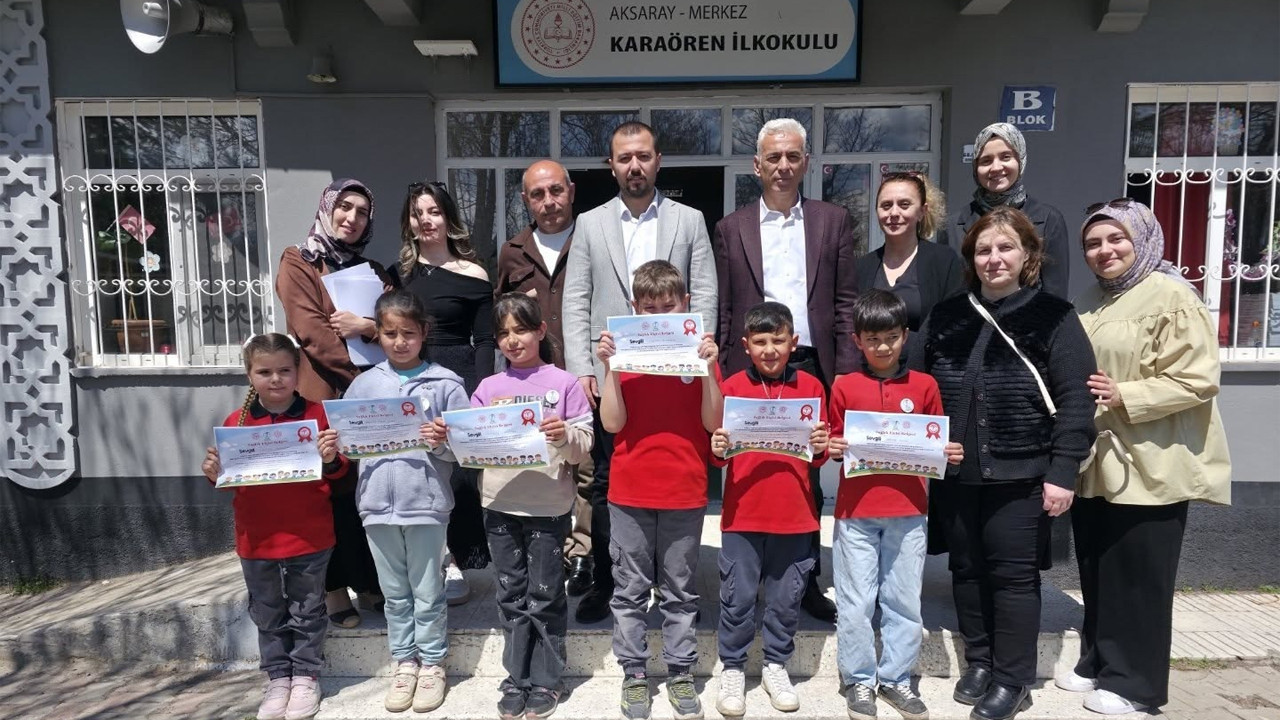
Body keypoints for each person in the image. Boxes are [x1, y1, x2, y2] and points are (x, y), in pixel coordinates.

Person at [913, 206, 1096, 720]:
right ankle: (980, 659)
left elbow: (1077, 400)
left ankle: (1012, 678)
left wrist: (1064, 472)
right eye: (984, 250)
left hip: (1022, 473)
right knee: (967, 569)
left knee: (1013, 578)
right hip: (956, 473)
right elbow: (913, 380)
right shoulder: (948, 314)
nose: (994, 258)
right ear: (972, 257)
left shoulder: (1054, 316)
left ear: (1027, 255)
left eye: (1005, 248)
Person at [1058, 200, 1231, 715]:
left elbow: (1198, 379)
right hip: (1099, 458)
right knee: (1097, 566)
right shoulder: (1091, 299)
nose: (1104, 251)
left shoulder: (1172, 296)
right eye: (1093, 243)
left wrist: (1125, 395)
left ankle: (1137, 686)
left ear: (1142, 239)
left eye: (1116, 240)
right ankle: (1099, 661)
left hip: (1153, 459)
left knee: (1139, 575)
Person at [561, 121, 718, 624]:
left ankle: (674, 583)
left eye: (643, 156)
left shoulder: (689, 220)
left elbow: (705, 292)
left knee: (672, 470)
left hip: (678, 376)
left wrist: (701, 357)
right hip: (614, 373)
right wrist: (583, 366)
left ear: (658, 160)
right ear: (612, 164)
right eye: (624, 158)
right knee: (608, 481)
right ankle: (611, 583)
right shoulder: (590, 223)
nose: (634, 166)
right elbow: (577, 298)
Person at [712, 117, 858, 623]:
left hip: (811, 363)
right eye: (773, 157)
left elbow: (844, 303)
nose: (782, 166)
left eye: (792, 156)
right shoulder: (731, 227)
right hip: (750, 367)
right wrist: (726, 378)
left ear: (806, 163)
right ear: (756, 165)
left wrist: (842, 374)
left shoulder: (832, 220)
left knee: (808, 477)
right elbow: (727, 310)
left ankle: (805, 578)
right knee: (750, 469)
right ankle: (744, 575)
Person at [452, 292, 594, 720]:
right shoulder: (488, 388)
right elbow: (468, 446)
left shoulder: (564, 383)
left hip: (548, 509)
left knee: (546, 593)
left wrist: (563, 435)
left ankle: (547, 679)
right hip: (499, 506)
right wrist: (451, 434)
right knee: (511, 593)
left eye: (521, 330)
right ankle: (516, 675)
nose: (513, 340)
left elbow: (584, 447)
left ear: (540, 331)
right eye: (503, 334)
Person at [827, 290, 965, 720]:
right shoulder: (844, 386)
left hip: (909, 510)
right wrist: (833, 445)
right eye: (873, 339)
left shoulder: (925, 386)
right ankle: (859, 680)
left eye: (891, 337)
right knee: (855, 600)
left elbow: (935, 443)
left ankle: (896, 679)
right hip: (855, 512)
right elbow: (832, 442)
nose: (883, 347)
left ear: (905, 336)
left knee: (904, 599)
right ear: (857, 341)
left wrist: (948, 452)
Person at [595, 260, 722, 720]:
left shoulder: (701, 356)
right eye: (648, 309)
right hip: (629, 490)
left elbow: (714, 423)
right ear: (634, 309)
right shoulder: (624, 358)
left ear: (685, 306)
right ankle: (633, 674)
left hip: (685, 490)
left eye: (668, 307)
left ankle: (681, 671)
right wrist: (609, 366)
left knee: (681, 590)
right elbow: (611, 423)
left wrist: (709, 369)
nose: (658, 316)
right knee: (629, 590)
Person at [200, 333, 348, 720]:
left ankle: (306, 676)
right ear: (250, 375)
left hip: (309, 534)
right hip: (257, 537)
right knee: (267, 612)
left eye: (285, 370)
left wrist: (330, 457)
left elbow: (338, 471)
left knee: (307, 609)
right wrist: (213, 472)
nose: (276, 379)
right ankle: (278, 676)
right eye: (264, 372)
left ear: (298, 372)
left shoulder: (318, 414)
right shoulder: (237, 423)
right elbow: (225, 478)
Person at [344, 290, 470, 714]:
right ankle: (404, 662)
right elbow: (348, 445)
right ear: (377, 334)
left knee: (427, 589)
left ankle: (433, 664)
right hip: (376, 504)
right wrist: (337, 444)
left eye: (409, 334)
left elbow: (465, 450)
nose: (400, 342)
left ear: (424, 334)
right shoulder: (362, 384)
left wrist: (441, 443)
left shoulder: (447, 383)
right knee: (394, 593)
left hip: (427, 503)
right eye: (391, 333)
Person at [708, 301, 830, 717]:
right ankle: (734, 667)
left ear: (794, 342)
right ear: (745, 346)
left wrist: (820, 446)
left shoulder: (812, 387)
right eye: (760, 341)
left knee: (785, 598)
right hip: (742, 513)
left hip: (795, 514)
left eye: (778, 340)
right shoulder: (732, 387)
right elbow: (720, 456)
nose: (770, 349)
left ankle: (776, 664)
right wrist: (719, 449)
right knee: (737, 598)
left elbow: (819, 458)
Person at [275, 178, 387, 629]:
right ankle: (334, 589)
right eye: (344, 207)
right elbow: (313, 333)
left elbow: (395, 327)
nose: (352, 218)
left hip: (365, 395)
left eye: (362, 212)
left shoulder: (376, 271)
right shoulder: (298, 261)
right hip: (325, 393)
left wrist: (371, 328)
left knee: (366, 485)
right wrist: (367, 377)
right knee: (331, 490)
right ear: (327, 208)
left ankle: (370, 581)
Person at [495, 159, 594, 597]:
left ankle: (583, 553)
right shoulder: (512, 251)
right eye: (538, 194)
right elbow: (503, 314)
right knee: (542, 467)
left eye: (556, 190)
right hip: (532, 382)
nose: (549, 201)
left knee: (588, 471)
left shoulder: (593, 237)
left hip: (584, 375)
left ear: (571, 190)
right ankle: (543, 548)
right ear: (525, 200)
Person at [395, 181, 494, 605]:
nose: (426, 220)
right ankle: (425, 559)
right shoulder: (396, 276)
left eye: (433, 211)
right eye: (418, 213)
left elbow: (486, 340)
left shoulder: (474, 274)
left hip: (460, 378)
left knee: (459, 476)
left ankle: (457, 561)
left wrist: (481, 396)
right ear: (410, 223)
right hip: (411, 381)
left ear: (448, 217)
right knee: (417, 473)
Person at [936, 123, 1071, 298]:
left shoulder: (1048, 219)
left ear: (1020, 160)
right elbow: (948, 292)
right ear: (976, 168)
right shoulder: (954, 225)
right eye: (986, 160)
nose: (996, 167)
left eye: (1006, 157)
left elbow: (1055, 293)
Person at [856, 172, 965, 332]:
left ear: (922, 211)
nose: (893, 213)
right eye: (886, 205)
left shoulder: (943, 261)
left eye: (904, 204)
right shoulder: (862, 267)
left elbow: (955, 324)